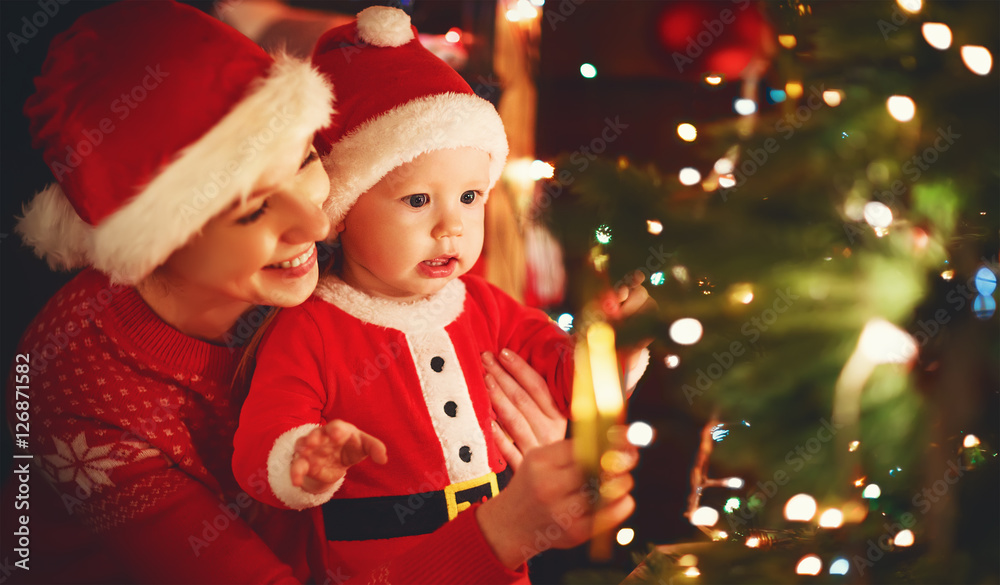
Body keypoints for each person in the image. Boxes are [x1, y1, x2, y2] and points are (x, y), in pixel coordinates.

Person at [2, 2, 567, 583]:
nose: (318, 224)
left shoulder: (358, 249)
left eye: (304, 160)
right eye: (254, 210)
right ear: (156, 242)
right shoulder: (78, 386)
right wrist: (505, 530)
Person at [232, 7, 647, 583]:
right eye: (419, 201)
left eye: (471, 197)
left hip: (503, 564)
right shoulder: (311, 329)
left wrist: (619, 348)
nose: (451, 227)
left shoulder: (486, 305)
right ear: (344, 211)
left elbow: (562, 373)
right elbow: (264, 442)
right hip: (383, 567)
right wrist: (306, 458)